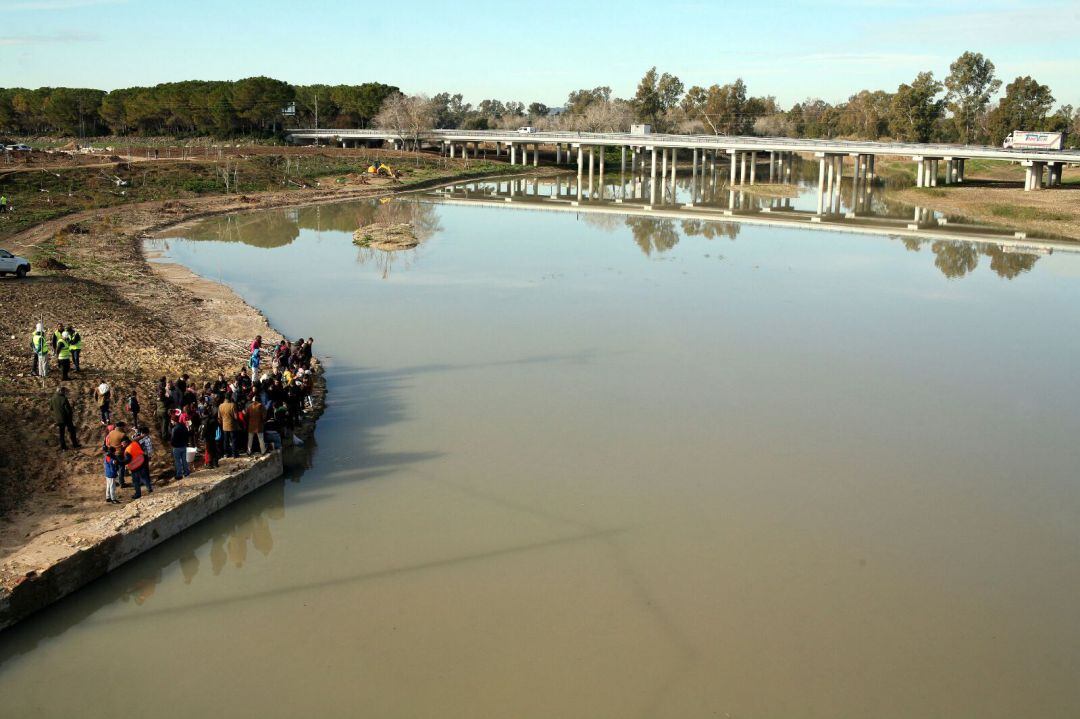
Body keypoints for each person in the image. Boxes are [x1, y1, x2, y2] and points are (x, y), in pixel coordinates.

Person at [50, 386, 80, 450]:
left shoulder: (52, 398)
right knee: (72, 431)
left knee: (61, 433)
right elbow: (68, 410)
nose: (64, 392)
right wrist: (70, 417)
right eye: (64, 391)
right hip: (66, 418)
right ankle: (75, 444)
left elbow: (51, 408)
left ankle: (63, 447)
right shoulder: (63, 398)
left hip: (58, 419)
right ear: (60, 391)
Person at [169, 417, 191, 486]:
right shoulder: (183, 426)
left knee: (178, 461)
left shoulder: (174, 429)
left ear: (174, 421)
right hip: (183, 446)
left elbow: (172, 439)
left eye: (172, 421)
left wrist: (172, 445)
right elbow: (187, 434)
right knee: (184, 460)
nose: (171, 422)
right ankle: (186, 472)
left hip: (177, 447)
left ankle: (179, 474)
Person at [105, 421, 128, 487]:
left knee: (115, 468)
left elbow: (108, 443)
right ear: (121, 426)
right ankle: (122, 483)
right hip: (120, 453)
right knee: (121, 468)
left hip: (112, 453)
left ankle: (115, 482)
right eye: (124, 426)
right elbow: (125, 444)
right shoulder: (122, 434)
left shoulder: (111, 433)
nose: (125, 427)